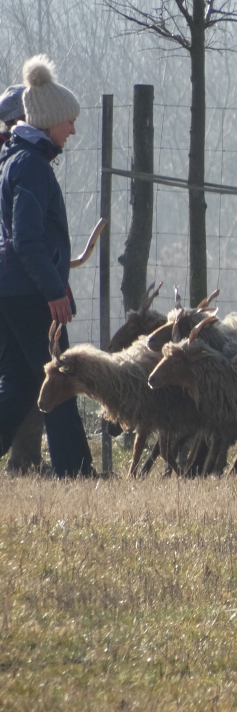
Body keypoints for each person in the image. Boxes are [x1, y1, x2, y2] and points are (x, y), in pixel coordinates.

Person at [0, 55, 92, 477]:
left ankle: (72, 467)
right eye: (68, 121)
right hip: (31, 293)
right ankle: (75, 471)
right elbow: (28, 239)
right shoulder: (31, 166)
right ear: (50, 121)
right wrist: (53, 290)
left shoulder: (18, 160)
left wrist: (60, 283)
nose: (72, 129)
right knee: (61, 379)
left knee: (20, 385)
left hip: (16, 289)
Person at [0, 82, 45, 473]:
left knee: (22, 374)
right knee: (26, 372)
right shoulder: (18, 161)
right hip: (13, 282)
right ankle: (24, 457)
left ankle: (25, 458)